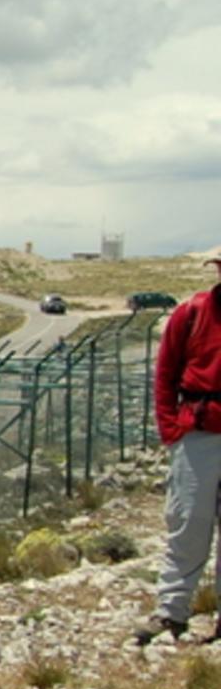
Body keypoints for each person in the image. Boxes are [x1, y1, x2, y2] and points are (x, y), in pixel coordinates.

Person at [137, 259, 221, 644]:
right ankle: (172, 612)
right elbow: (166, 373)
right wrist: (172, 429)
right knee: (187, 523)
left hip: (199, 429)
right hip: (199, 432)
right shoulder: (192, 314)